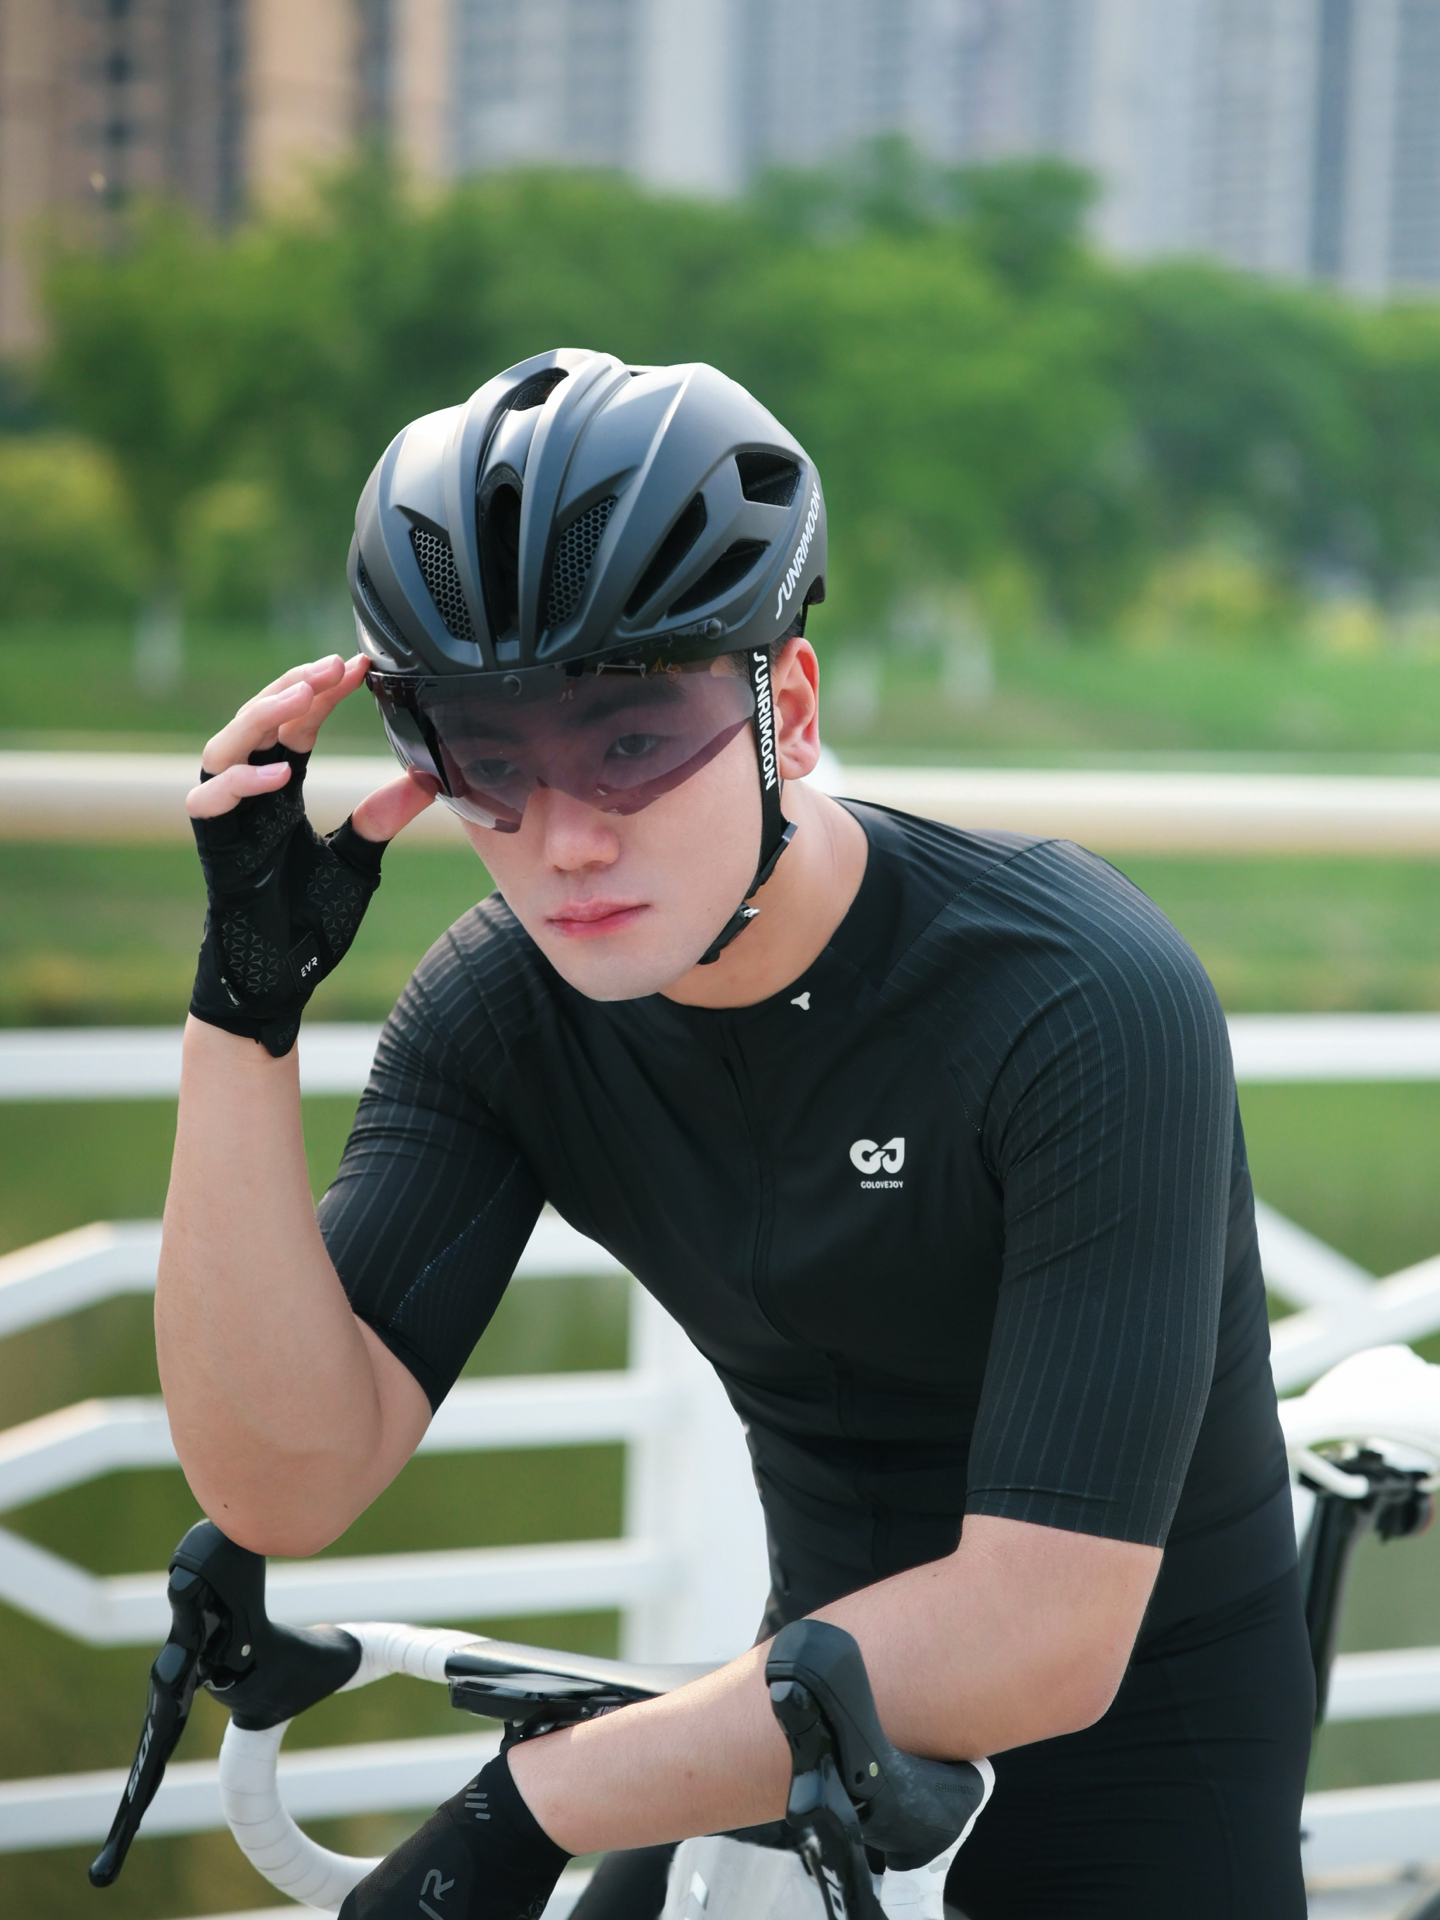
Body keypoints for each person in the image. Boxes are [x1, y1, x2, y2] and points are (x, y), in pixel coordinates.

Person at [157, 349, 1313, 1920]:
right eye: (486, 757)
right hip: (791, 1716)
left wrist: (534, 1801)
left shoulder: (1075, 994)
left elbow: (1047, 1629)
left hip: (1133, 1766)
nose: (566, 837)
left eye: (632, 740)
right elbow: (284, 1482)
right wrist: (243, 1015)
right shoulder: (504, 1010)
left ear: (791, 710)